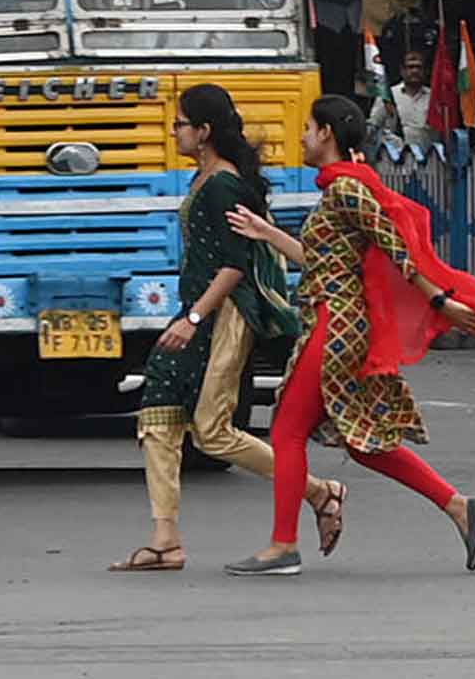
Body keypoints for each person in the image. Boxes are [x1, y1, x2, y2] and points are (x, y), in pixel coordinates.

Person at [224, 94, 475, 577]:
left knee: (286, 430)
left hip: (336, 324)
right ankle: (460, 507)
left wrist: (438, 300)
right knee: (363, 443)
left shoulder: (347, 190)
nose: (303, 137)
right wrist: (267, 233)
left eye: (309, 128)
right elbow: (319, 258)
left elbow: (396, 246)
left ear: (327, 133)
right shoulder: (340, 188)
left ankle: (283, 545)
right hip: (338, 322)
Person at [109, 84, 349, 572]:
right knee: (158, 413)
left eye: (181, 123)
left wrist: (195, 319)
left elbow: (235, 265)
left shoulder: (222, 184)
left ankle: (320, 491)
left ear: (204, 132)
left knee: (213, 433)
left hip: (222, 315)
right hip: (196, 310)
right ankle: (165, 539)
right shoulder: (204, 179)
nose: (174, 131)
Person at [368, 49, 437, 150]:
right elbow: (373, 126)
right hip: (395, 159)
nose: (415, 71)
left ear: (425, 71)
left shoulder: (434, 98)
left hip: (428, 159)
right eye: (410, 67)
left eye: (418, 67)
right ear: (402, 70)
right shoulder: (388, 96)